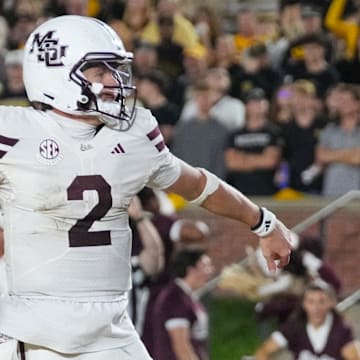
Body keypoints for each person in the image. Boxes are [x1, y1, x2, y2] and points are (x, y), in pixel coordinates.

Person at [0, 15, 293, 360]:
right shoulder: (15, 131)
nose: (114, 81)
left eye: (116, 69)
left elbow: (200, 185)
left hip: (108, 326)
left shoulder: (134, 134)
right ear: (56, 75)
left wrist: (264, 222)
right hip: (34, 330)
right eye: (100, 71)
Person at [255, 280, 360, 360]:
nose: (316, 308)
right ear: (304, 304)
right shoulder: (294, 326)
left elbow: (352, 355)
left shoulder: (341, 330)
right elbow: (264, 350)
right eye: (311, 302)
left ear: (331, 303)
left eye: (321, 301)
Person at [152, 247, 214, 360]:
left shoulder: (187, 296)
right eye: (206, 266)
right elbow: (182, 347)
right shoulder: (174, 299)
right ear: (191, 270)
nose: (211, 270)